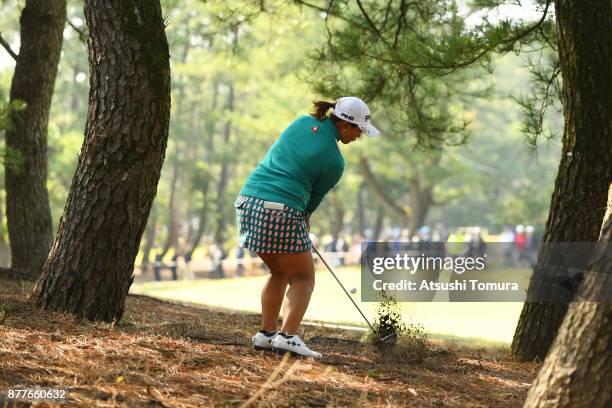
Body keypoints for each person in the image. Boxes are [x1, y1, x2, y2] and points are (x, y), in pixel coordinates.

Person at [234, 97, 379, 358]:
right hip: (280, 209)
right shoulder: (335, 161)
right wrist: (302, 218)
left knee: (278, 272)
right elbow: (310, 202)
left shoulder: (302, 121)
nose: (359, 136)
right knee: (303, 278)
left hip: (248, 201)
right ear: (345, 126)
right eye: (358, 130)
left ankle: (267, 335)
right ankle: (287, 337)